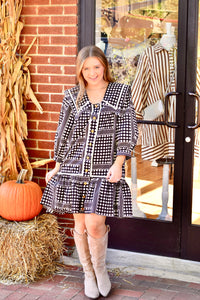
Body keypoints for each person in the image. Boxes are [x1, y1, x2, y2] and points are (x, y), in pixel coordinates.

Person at [41, 45, 138, 299]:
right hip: (74, 168)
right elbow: (63, 134)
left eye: (96, 66)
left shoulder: (121, 92)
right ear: (80, 70)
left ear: (104, 65)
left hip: (104, 169)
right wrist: (57, 166)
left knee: (95, 224)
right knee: (81, 224)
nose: (92, 72)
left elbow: (127, 130)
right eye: (86, 68)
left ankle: (100, 269)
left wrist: (119, 163)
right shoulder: (72, 96)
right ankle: (88, 273)